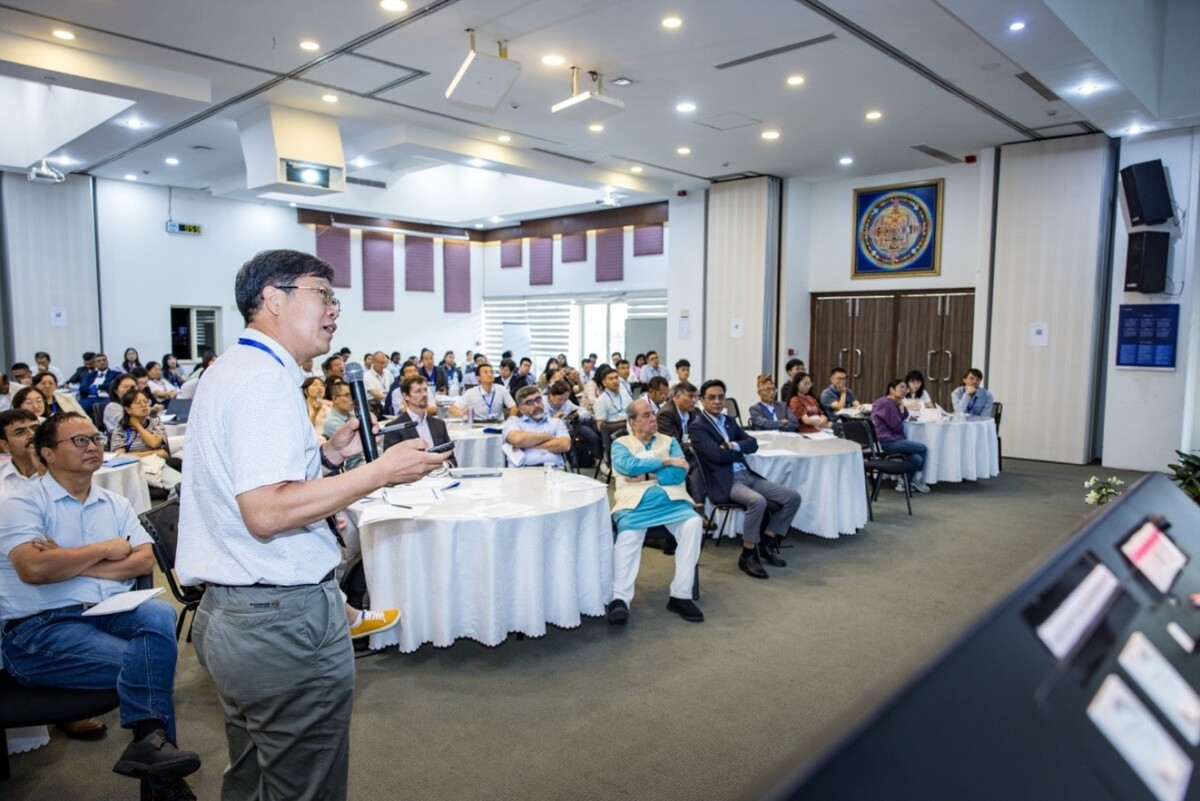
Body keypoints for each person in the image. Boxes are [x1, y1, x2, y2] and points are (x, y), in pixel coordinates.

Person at [176, 249, 450, 800]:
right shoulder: (263, 381)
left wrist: (326, 457)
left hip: (239, 612)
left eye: (335, 298)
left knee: (254, 776)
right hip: (280, 624)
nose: (333, 311)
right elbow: (268, 512)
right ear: (273, 300)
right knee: (306, 787)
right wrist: (377, 473)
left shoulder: (237, 367)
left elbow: (251, 489)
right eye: (322, 295)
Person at [0, 412, 200, 798]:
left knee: (159, 612)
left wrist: (71, 562)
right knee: (149, 661)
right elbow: (36, 568)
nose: (93, 446)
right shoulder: (20, 504)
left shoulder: (114, 501)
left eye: (95, 438)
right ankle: (162, 779)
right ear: (48, 454)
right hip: (37, 630)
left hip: (106, 614)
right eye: (79, 441)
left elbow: (143, 561)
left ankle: (151, 748)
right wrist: (107, 550)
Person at [606, 398, 704, 625]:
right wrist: (665, 461)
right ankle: (620, 599)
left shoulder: (669, 440)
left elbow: (678, 474)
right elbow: (627, 466)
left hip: (673, 503)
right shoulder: (620, 444)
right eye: (646, 416)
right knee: (628, 539)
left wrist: (648, 475)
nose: (653, 419)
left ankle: (681, 595)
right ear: (632, 422)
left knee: (693, 524)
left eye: (653, 414)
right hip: (635, 505)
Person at [691, 379, 800, 580]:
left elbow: (753, 444)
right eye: (711, 397)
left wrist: (733, 446)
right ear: (701, 400)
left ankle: (765, 544)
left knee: (792, 498)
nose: (717, 401)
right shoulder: (698, 427)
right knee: (757, 501)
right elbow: (716, 457)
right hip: (726, 480)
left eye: (720, 397)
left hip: (747, 474)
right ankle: (748, 554)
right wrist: (733, 450)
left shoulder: (729, 420)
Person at [871, 378, 931, 493]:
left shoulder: (893, 403)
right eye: (901, 387)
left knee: (917, 458)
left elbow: (903, 417)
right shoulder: (887, 404)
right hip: (887, 442)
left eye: (905, 388)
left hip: (890, 440)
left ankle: (904, 483)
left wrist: (901, 407)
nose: (905, 390)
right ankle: (917, 481)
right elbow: (897, 427)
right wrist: (901, 409)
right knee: (922, 448)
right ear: (892, 390)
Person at [382, 375, 453, 461]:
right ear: (406, 396)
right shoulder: (394, 428)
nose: (424, 394)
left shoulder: (439, 424)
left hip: (439, 472)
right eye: (418, 391)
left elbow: (451, 458)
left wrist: (445, 465)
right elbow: (391, 462)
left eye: (425, 390)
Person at [656, 381, 703, 504]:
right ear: (676, 397)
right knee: (695, 464)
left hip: (689, 449)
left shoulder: (694, 412)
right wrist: (699, 448)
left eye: (696, 396)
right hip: (670, 454)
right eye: (690, 396)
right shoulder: (666, 414)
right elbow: (673, 445)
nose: (694, 400)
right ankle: (698, 503)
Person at [502, 386, 571, 468]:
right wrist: (547, 436)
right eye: (530, 402)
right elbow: (518, 440)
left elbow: (565, 445)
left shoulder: (556, 422)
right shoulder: (513, 422)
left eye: (538, 399)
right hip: (524, 471)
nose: (536, 405)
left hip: (554, 470)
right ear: (520, 409)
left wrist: (527, 444)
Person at [545, 378, 600, 466]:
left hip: (568, 430)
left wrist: (577, 415)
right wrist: (554, 420)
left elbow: (586, 413)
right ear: (551, 395)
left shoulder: (567, 403)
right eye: (560, 399)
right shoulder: (543, 404)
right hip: (551, 434)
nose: (563, 402)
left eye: (565, 399)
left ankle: (599, 460)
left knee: (592, 435)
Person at [109, 389, 170, 460]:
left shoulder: (155, 423)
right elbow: (120, 457)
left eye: (146, 402)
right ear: (128, 409)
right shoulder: (120, 429)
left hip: (156, 464)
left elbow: (154, 443)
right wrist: (154, 453)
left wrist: (138, 426)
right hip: (132, 467)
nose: (144, 405)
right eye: (138, 403)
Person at [450, 363, 515, 421]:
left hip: (498, 425)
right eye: (486, 372)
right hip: (478, 426)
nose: (490, 374)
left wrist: (510, 421)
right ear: (478, 378)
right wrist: (462, 414)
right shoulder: (471, 393)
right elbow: (452, 409)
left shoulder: (501, 389)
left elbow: (513, 407)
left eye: (491, 372)